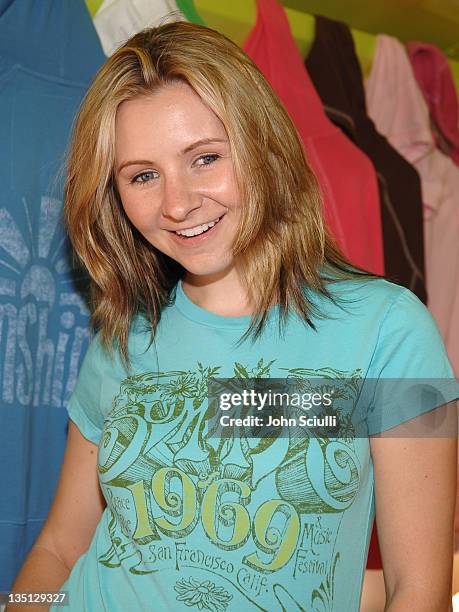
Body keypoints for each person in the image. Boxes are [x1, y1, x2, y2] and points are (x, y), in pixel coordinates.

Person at [9, 21, 458, 612]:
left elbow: (418, 591)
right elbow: (62, 550)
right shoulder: (123, 336)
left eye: (205, 158)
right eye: (143, 175)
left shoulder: (390, 331)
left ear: (262, 145)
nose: (177, 203)